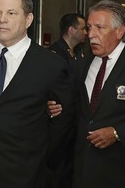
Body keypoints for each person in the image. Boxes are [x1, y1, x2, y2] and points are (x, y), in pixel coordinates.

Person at [0, 0, 72, 188]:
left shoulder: (50, 64)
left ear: (28, 20)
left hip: (23, 173)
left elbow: (63, 120)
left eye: (11, 13)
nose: (2, 19)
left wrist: (41, 156)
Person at [71, 0, 125, 188]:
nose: (91, 35)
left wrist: (118, 132)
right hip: (83, 171)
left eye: (100, 28)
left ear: (120, 32)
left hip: (124, 172)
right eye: (89, 27)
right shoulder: (82, 65)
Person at [47, 13, 87, 188]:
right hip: (59, 126)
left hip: (74, 125)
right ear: (72, 30)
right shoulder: (54, 54)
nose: (86, 32)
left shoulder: (79, 54)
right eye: (83, 28)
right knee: (56, 172)